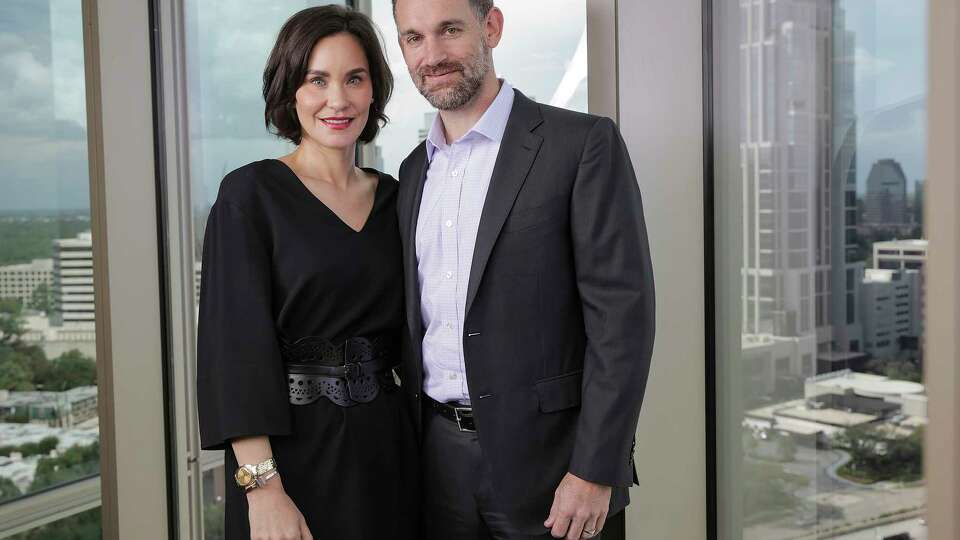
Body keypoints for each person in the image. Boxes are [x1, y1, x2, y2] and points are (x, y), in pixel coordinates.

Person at [391, 0, 656, 539]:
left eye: (449, 30)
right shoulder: (413, 172)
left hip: (556, 469)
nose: (433, 54)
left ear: (491, 27)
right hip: (437, 464)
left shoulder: (581, 145)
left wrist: (594, 468)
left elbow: (622, 323)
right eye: (414, 38)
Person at [196, 5, 417, 539]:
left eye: (354, 79)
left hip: (389, 451)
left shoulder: (398, 197)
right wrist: (263, 488)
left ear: (373, 91)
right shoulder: (251, 194)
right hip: (291, 460)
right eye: (317, 79)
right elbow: (234, 351)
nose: (337, 100)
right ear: (290, 90)